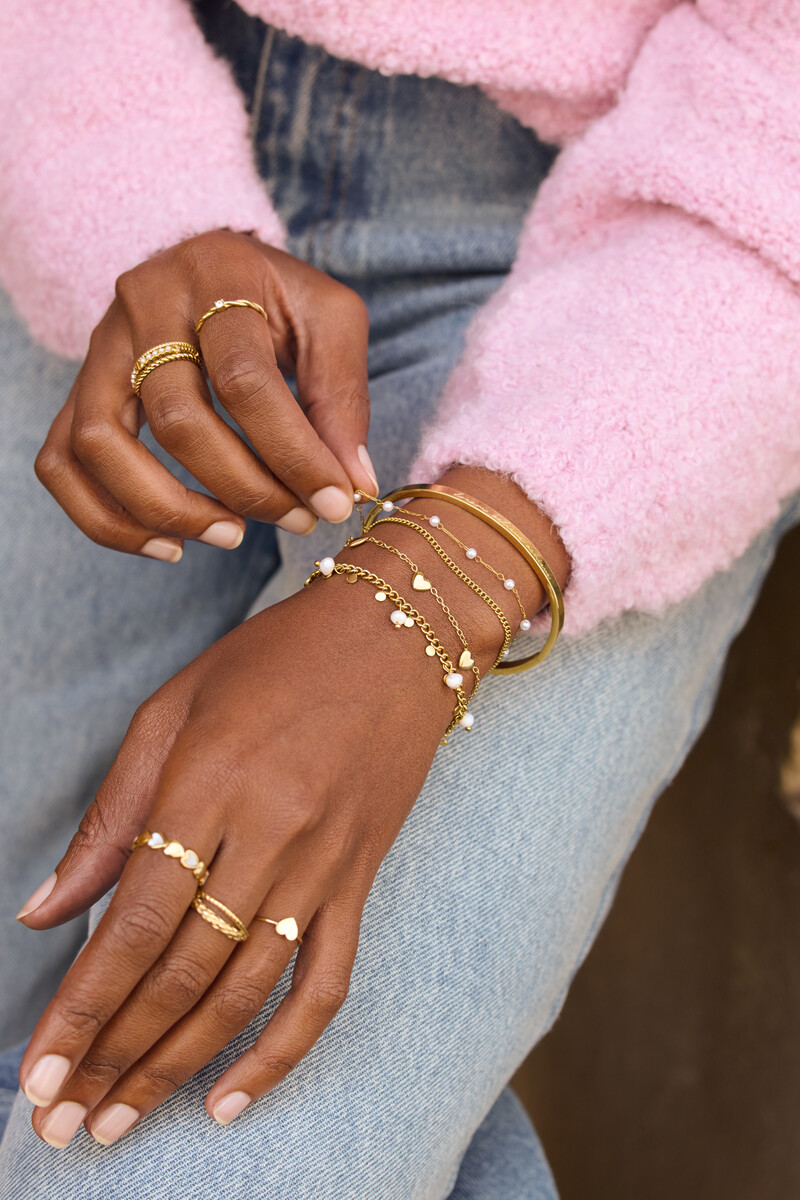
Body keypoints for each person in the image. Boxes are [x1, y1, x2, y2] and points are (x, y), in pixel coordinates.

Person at [1, 1, 799, 1196]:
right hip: (94, 111)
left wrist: (444, 578)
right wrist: (125, 194)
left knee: (169, 1163)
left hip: (646, 278)